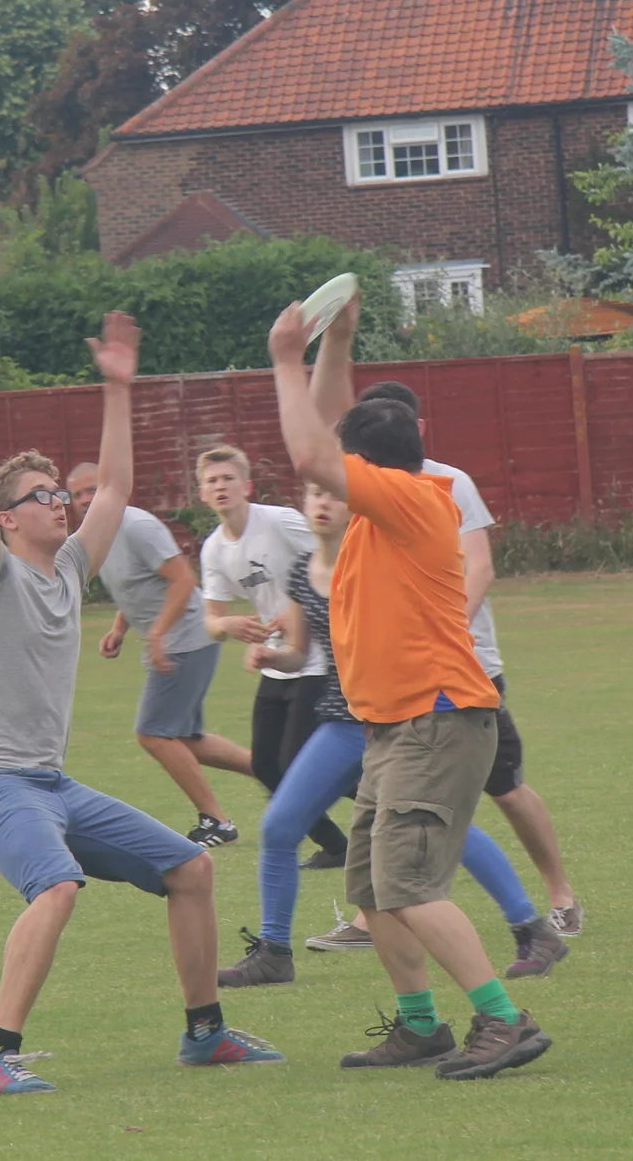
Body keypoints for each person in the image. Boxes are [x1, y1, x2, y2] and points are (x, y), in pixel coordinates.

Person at [0, 315, 283, 1095]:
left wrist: (119, 387)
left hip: (50, 781)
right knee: (58, 884)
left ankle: (205, 1033)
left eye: (62, 492)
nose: (60, 503)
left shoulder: (68, 567)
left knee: (191, 867)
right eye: (41, 496)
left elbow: (121, 489)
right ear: (8, 517)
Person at [267, 294, 551, 1081]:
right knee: (371, 882)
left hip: (439, 719)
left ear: (363, 464)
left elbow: (313, 451)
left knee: (411, 882)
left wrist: (286, 358)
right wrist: (339, 339)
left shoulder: (410, 500)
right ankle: (422, 1026)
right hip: (393, 725)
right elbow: (328, 428)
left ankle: (503, 1017)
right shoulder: (381, 509)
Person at [217, 479, 567, 995]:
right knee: (281, 825)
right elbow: (299, 651)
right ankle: (273, 952)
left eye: (332, 493)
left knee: (435, 826)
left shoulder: (375, 560)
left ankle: (532, 930)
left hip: (395, 717)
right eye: (312, 493)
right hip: (342, 720)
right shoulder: (302, 569)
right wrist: (273, 657)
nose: (321, 502)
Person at [342, 379, 580, 966]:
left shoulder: (437, 486)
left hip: (460, 673)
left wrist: (444, 631)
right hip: (413, 691)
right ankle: (387, 911)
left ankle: (553, 901)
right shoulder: (367, 495)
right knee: (433, 817)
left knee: (501, 791)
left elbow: (480, 563)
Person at [75, 460, 254, 847]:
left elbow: (183, 579)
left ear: (111, 490)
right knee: (185, 740)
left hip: (187, 637)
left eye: (93, 490)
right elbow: (138, 585)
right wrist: (120, 628)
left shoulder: (137, 526)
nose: (86, 500)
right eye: (77, 494)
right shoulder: (97, 536)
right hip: (177, 639)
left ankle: (217, 821)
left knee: (153, 734)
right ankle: (277, 770)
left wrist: (157, 634)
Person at [194, 445, 347, 867]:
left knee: (298, 762)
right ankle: (337, 846)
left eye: (228, 478)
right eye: (212, 481)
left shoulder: (279, 521)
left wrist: (294, 608)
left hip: (318, 659)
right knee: (266, 765)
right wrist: (229, 626)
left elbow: (334, 555)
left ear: (247, 486)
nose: (220, 486)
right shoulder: (214, 550)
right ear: (202, 494)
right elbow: (211, 620)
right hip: (279, 663)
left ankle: (382, 791)